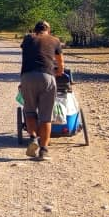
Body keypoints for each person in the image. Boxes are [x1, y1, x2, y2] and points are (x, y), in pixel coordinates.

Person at [19, 20, 64, 161]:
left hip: (27, 77)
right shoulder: (54, 40)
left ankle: (33, 138)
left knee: (30, 112)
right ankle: (43, 150)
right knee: (46, 117)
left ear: (35, 30)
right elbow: (60, 62)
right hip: (46, 77)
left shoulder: (27, 39)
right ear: (48, 30)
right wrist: (59, 71)